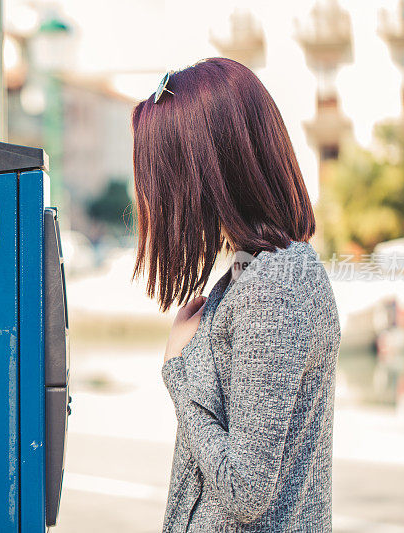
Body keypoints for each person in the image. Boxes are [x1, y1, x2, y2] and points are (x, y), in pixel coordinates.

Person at [131, 57, 341, 531]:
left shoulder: (274, 287)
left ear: (209, 170)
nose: (152, 196)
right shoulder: (256, 272)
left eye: (162, 173)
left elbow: (245, 491)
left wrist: (178, 373)